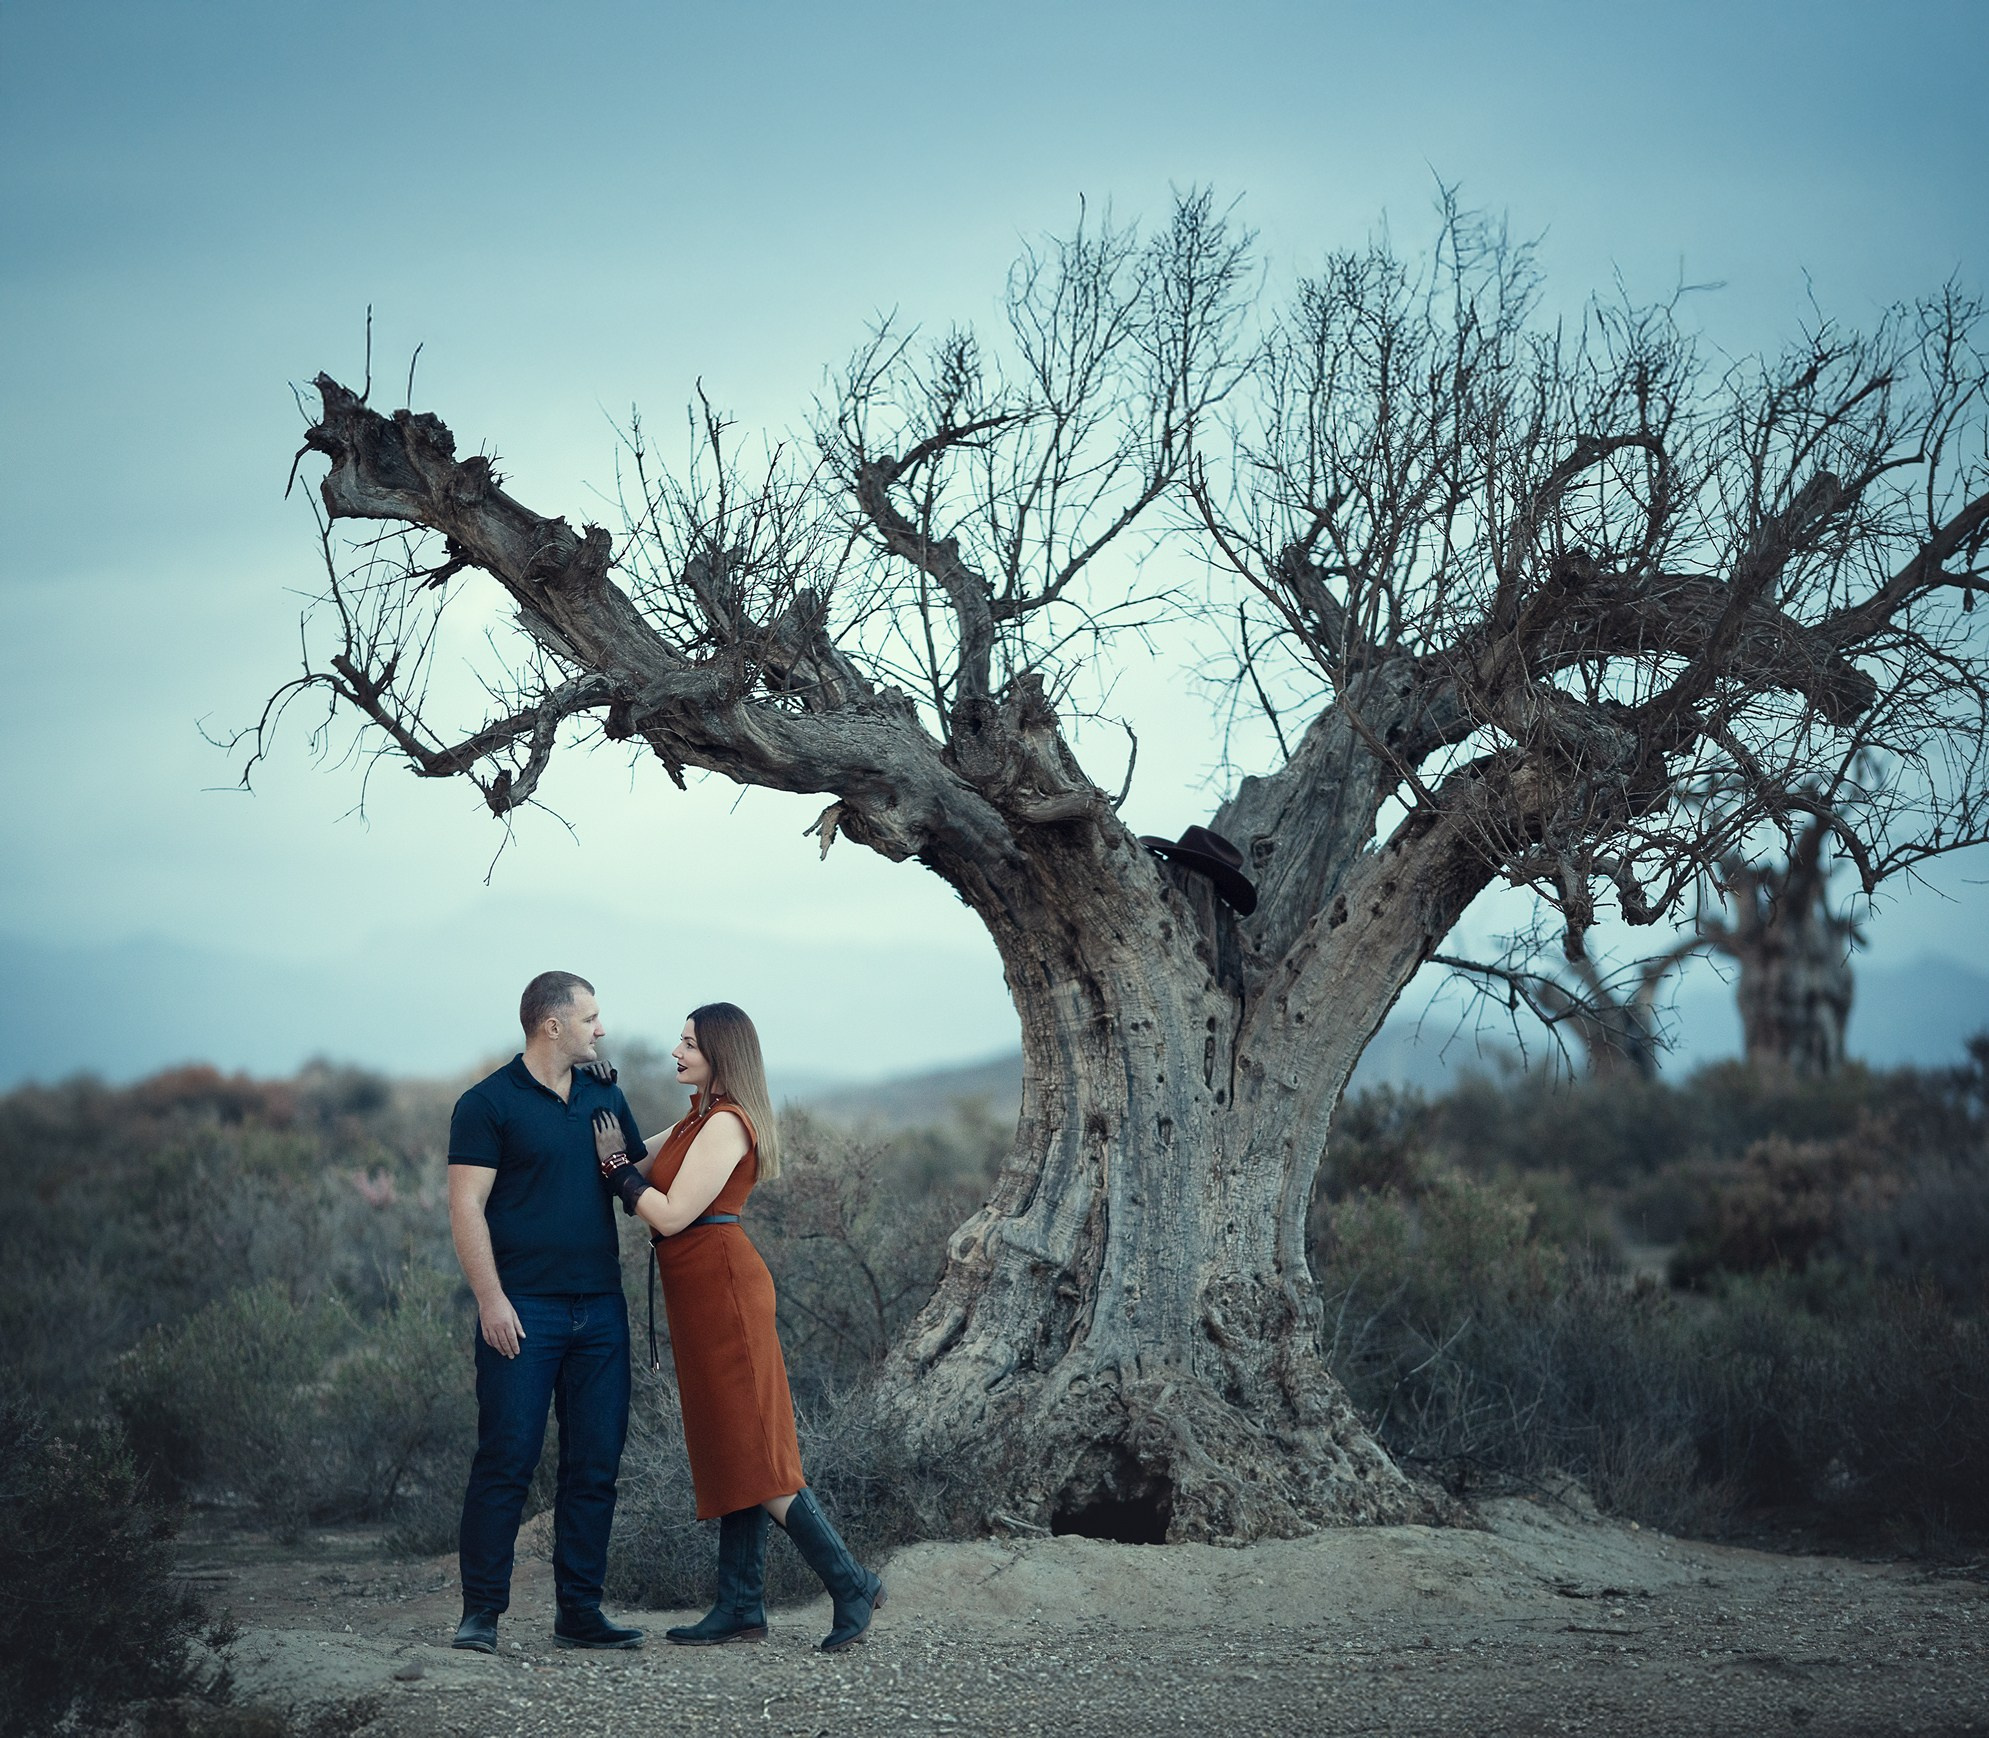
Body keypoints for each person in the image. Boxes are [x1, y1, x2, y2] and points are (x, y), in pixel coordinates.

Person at [594, 1001, 885, 1653]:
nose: (676, 1051)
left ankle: (851, 1584)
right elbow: (631, 1155)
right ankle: (740, 1606)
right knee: (729, 1445)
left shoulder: (726, 1124)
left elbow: (665, 1212)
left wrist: (618, 1176)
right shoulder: (696, 1119)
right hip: (698, 1294)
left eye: (689, 1043)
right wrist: (597, 1091)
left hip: (724, 1290)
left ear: (721, 1054)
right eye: (678, 1041)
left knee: (753, 1449)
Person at [446, 970, 649, 1654]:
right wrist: (491, 1298)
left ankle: (580, 1615)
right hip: (523, 1311)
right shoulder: (487, 1103)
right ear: (551, 1025)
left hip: (600, 1311)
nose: (601, 1028)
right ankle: (481, 1616)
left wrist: (715, 1120)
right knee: (506, 1459)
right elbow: (465, 1206)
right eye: (591, 1017)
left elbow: (636, 1175)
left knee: (594, 1466)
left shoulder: (603, 1091)